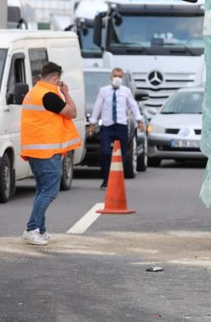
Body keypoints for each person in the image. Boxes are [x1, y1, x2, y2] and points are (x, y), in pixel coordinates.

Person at [21, 62, 80, 246]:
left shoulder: (33, 93)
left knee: (42, 190)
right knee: (49, 192)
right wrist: (66, 93)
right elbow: (72, 112)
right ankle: (31, 229)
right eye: (58, 81)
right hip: (47, 151)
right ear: (55, 78)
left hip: (34, 150)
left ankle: (40, 228)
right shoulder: (49, 96)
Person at [90, 67, 144, 188]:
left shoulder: (126, 91)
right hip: (107, 125)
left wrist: (139, 120)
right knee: (105, 152)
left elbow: (133, 106)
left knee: (122, 154)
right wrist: (92, 123)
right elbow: (97, 107)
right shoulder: (104, 91)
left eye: (120, 76)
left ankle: (118, 179)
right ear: (111, 77)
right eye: (115, 76)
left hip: (121, 125)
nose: (117, 78)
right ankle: (105, 179)